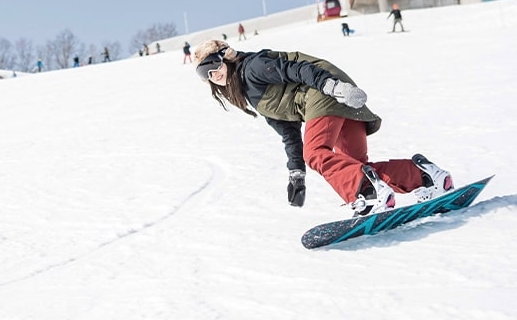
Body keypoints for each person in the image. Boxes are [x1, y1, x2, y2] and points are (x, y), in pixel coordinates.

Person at [193, 39, 454, 215]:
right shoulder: (251, 95)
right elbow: (288, 131)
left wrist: (334, 88)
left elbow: (296, 69)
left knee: (316, 153)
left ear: (226, 58)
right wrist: (296, 173)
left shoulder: (254, 67)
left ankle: (368, 195)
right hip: (333, 99)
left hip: (326, 93)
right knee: (353, 165)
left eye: (214, 66)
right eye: (206, 74)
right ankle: (425, 176)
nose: (214, 75)